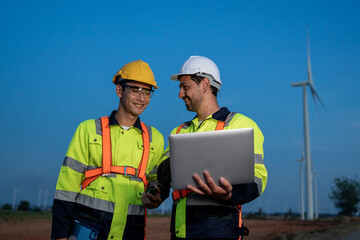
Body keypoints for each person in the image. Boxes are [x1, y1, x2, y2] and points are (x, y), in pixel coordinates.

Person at [51, 60, 168, 240]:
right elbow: (66, 188)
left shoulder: (156, 138)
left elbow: (156, 180)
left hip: (131, 230)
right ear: (119, 90)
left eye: (147, 92)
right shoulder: (88, 130)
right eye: (135, 89)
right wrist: (59, 236)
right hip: (89, 226)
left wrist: (156, 195)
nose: (142, 98)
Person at [157, 56, 268, 239]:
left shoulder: (241, 125)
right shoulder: (178, 131)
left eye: (185, 87)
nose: (180, 95)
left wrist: (228, 194)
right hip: (180, 231)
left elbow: (257, 180)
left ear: (205, 85)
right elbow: (163, 174)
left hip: (218, 230)